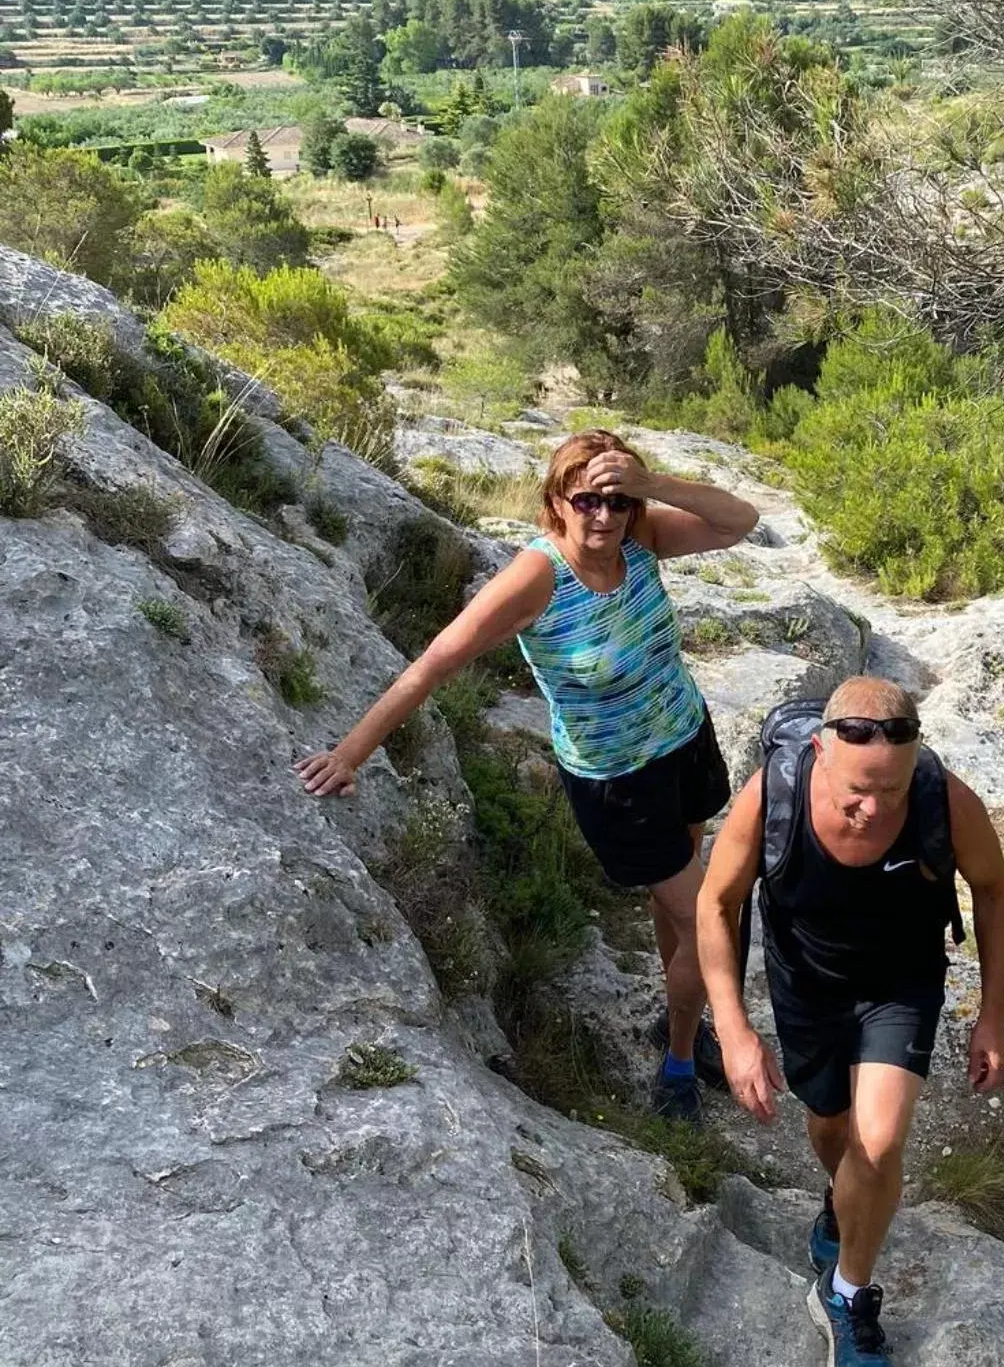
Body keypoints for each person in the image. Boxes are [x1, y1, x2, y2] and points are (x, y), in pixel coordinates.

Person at [296, 428, 759, 1122]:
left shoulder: (643, 536)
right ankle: (683, 1061)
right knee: (708, 918)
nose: (604, 517)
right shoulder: (536, 578)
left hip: (683, 740)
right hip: (618, 780)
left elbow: (740, 522)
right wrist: (350, 754)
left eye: (617, 502)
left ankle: (678, 1016)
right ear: (555, 503)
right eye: (588, 502)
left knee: (683, 900)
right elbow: (433, 664)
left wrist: (650, 486)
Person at [696, 676, 1004, 1367]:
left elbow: (994, 889)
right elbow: (716, 902)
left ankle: (845, 1294)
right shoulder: (772, 792)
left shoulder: (943, 797)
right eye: (856, 793)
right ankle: (841, 1205)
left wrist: (990, 1013)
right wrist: (735, 1031)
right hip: (805, 982)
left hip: (900, 985)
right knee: (831, 1126)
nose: (873, 810)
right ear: (820, 752)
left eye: (892, 793)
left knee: (878, 1143)